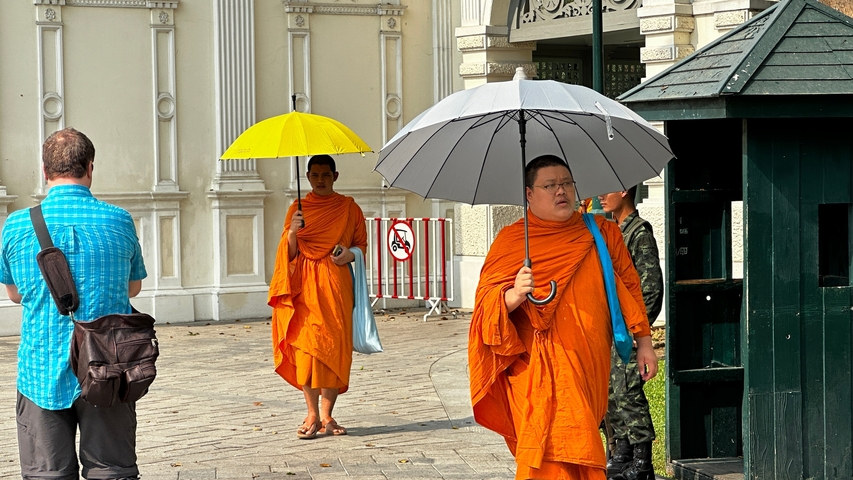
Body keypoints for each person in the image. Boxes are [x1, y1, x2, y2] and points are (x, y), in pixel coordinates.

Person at [469, 154, 658, 480]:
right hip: (538, 371)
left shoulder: (602, 234)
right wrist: (513, 295)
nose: (562, 192)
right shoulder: (512, 242)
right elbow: (484, 312)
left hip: (588, 365)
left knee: (583, 445)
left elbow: (629, 287)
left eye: (567, 184)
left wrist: (644, 342)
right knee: (550, 453)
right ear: (529, 194)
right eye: (550, 185)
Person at [1, 127, 147, 480]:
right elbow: (133, 287)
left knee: (46, 475)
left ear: (45, 170)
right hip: (109, 367)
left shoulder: (17, 224)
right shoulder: (119, 220)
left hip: (41, 367)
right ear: (90, 167)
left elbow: (15, 294)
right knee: (112, 472)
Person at [268, 154, 367, 439]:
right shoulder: (297, 209)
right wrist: (292, 234)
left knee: (333, 349)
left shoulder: (349, 208)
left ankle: (327, 414)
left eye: (326, 175)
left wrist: (350, 255)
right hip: (304, 286)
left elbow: (360, 245)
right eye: (315, 175)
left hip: (335, 285)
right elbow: (287, 255)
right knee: (308, 349)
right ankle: (312, 414)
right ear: (308, 178)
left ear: (335, 177)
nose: (321, 180)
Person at [598, 187, 663, 480]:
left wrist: (638, 331)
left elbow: (650, 289)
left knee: (628, 391)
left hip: (628, 330)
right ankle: (622, 452)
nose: (600, 195)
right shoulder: (613, 231)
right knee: (612, 392)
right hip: (613, 328)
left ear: (624, 191)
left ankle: (642, 462)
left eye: (606, 189)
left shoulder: (639, 234)